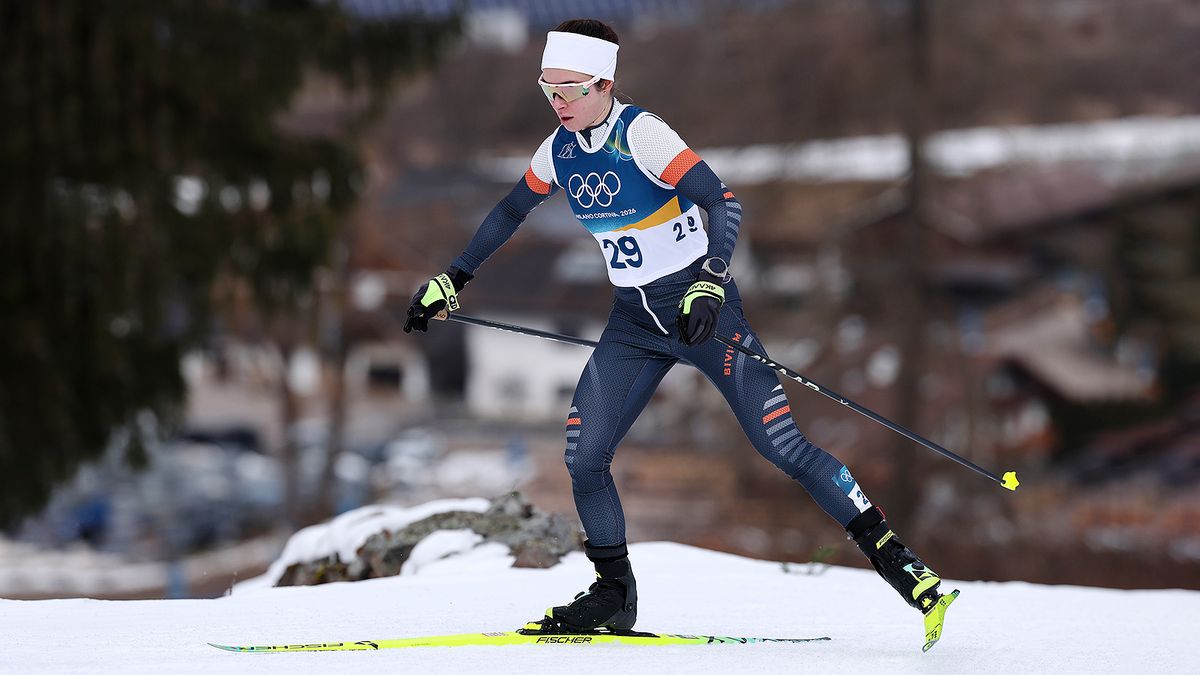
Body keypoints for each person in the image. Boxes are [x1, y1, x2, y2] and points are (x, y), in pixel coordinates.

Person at [404, 18, 945, 636]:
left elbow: (723, 202)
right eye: (547, 88)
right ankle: (613, 595)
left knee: (782, 447)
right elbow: (508, 212)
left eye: (571, 89)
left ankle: (902, 567)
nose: (558, 102)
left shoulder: (644, 137)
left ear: (605, 84)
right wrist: (452, 278)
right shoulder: (555, 152)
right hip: (633, 324)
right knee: (584, 458)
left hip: (703, 315)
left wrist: (710, 280)